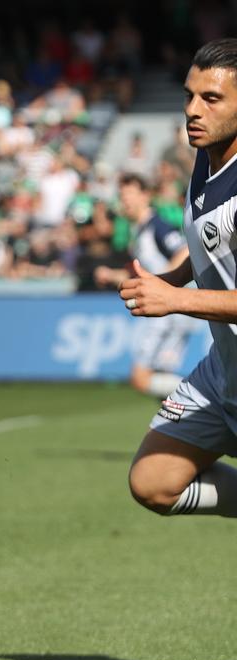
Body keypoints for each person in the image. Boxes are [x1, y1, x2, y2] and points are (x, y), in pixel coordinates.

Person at [124, 39, 237, 518]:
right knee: (153, 483)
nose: (193, 110)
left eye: (211, 99)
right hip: (225, 370)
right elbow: (208, 237)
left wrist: (177, 298)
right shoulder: (205, 156)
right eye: (189, 96)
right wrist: (175, 274)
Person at [96, 173, 196, 397]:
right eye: (122, 196)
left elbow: (184, 251)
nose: (125, 201)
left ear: (145, 196)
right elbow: (142, 272)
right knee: (159, 384)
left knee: (141, 378)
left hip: (170, 311)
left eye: (129, 195)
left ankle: (207, 396)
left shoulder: (157, 225)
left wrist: (163, 284)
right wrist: (111, 275)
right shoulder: (139, 231)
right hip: (165, 310)